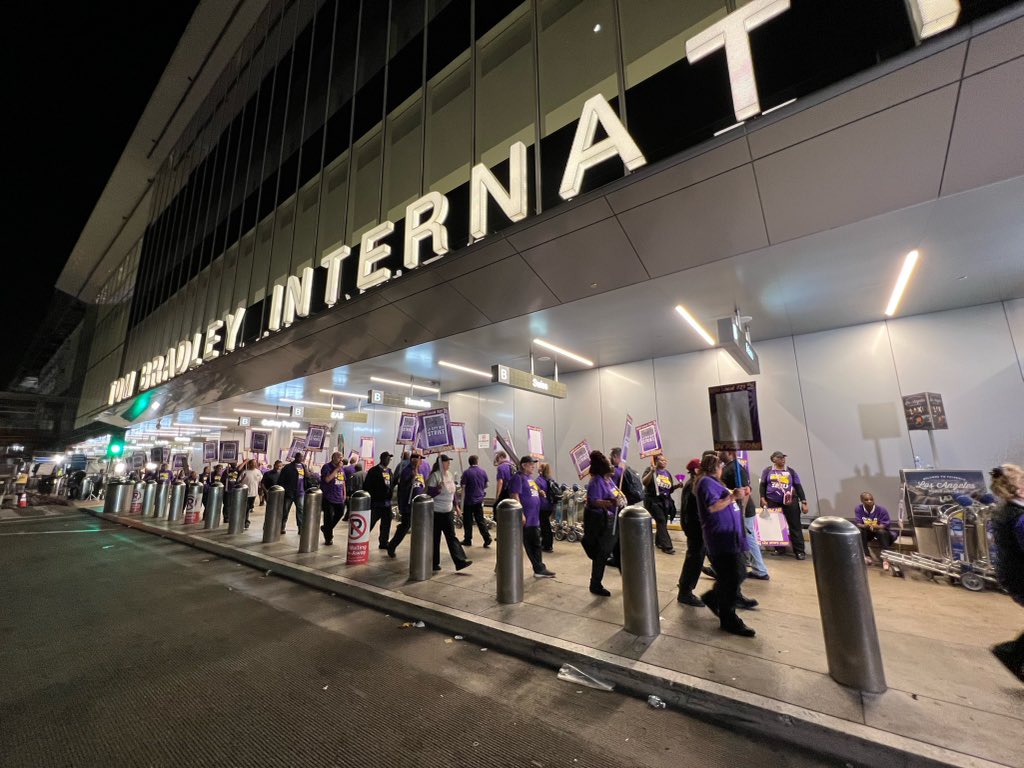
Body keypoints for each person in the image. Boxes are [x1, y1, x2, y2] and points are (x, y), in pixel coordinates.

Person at [695, 453, 756, 637]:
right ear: (716, 467)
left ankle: (714, 598)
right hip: (721, 538)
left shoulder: (717, 484)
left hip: (732, 537)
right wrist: (731, 497)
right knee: (732, 577)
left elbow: (734, 503)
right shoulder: (705, 482)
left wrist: (742, 495)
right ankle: (729, 618)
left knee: (737, 574)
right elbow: (712, 507)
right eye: (721, 467)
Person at [989, 464, 1024, 683]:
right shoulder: (1017, 516)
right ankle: (1011, 653)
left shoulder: (1006, 509)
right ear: (1018, 487)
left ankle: (1012, 653)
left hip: (1012, 574)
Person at [721, 449, 769, 580]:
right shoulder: (728, 468)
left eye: (721, 451)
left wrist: (741, 514)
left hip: (744, 511)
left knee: (749, 538)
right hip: (736, 510)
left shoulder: (736, 469)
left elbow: (746, 492)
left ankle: (760, 570)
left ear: (730, 453)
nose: (719, 453)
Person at [582, 451, 624, 597]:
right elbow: (593, 501)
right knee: (602, 554)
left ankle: (628, 579)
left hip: (614, 520)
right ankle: (595, 584)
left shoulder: (609, 480)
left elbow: (616, 492)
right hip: (602, 522)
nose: (612, 466)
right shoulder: (596, 481)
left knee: (619, 551)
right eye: (609, 464)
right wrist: (610, 502)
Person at [510, 456, 556, 578]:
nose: (533, 466)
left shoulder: (529, 478)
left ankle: (539, 568)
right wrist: (521, 514)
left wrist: (539, 492)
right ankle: (539, 568)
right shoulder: (518, 478)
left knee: (536, 543)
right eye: (531, 464)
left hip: (535, 517)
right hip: (527, 518)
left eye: (533, 464)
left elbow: (532, 490)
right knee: (531, 543)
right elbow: (515, 495)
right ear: (524, 465)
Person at [759, 451, 809, 560]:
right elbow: (762, 485)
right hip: (773, 501)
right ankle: (779, 549)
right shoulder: (768, 471)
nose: (783, 459)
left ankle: (799, 551)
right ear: (773, 459)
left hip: (790, 501)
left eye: (783, 457)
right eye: (780, 457)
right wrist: (762, 498)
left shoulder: (790, 471)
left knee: (795, 525)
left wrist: (804, 502)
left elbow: (798, 486)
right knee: (776, 525)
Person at [426, 455, 472, 572]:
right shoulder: (435, 476)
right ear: (441, 463)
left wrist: (456, 506)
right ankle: (434, 563)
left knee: (451, 536)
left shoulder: (449, 475)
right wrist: (438, 490)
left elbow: (453, 492)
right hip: (436, 512)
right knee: (435, 538)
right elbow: (429, 493)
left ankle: (460, 561)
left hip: (448, 511)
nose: (449, 464)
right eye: (447, 462)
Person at [676, 458, 707, 606]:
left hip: (697, 528)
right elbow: (690, 511)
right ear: (696, 470)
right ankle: (685, 591)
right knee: (694, 559)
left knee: (697, 558)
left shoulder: (697, 483)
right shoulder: (692, 485)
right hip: (695, 529)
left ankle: (685, 585)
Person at [388, 451, 429, 557]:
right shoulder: (406, 471)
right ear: (413, 460)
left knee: (420, 527)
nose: (421, 461)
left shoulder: (422, 469)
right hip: (408, 504)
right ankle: (392, 545)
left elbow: (424, 484)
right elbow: (402, 488)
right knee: (405, 526)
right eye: (419, 459)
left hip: (420, 504)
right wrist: (411, 478)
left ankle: (420, 550)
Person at [642, 453, 682, 554]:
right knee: (661, 520)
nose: (664, 462)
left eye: (665, 460)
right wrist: (651, 472)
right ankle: (667, 546)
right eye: (661, 460)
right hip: (653, 500)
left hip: (664, 501)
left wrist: (677, 486)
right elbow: (644, 482)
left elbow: (669, 489)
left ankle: (659, 542)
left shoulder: (667, 473)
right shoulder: (650, 470)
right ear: (656, 461)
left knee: (662, 521)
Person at [460, 455, 492, 547]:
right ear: (477, 461)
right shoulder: (483, 471)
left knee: (468, 521)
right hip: (479, 500)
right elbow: (486, 485)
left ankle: (468, 539)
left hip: (469, 500)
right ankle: (487, 538)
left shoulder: (466, 473)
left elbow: (463, 486)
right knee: (480, 520)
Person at [364, 452, 394, 550]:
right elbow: (367, 486)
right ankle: (362, 538)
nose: (389, 460)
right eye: (387, 458)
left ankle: (384, 542)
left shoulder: (389, 471)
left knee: (386, 524)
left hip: (387, 503)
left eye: (390, 459)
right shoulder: (374, 471)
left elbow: (392, 484)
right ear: (382, 459)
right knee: (370, 522)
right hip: (376, 503)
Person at [854, 492, 893, 564]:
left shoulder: (881, 510)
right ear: (862, 501)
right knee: (861, 531)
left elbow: (885, 525)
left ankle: (886, 558)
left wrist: (875, 526)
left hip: (879, 532)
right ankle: (867, 555)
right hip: (868, 532)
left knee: (881, 532)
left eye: (871, 499)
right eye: (866, 500)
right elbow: (858, 523)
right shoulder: (858, 509)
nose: (869, 501)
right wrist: (865, 526)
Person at [318, 452, 346, 545]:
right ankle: (328, 538)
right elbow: (327, 479)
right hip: (328, 496)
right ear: (333, 457)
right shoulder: (327, 467)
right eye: (339, 457)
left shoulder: (342, 468)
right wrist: (337, 469)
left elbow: (343, 482)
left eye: (341, 458)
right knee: (328, 517)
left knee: (340, 513)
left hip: (339, 496)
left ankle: (326, 528)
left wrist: (344, 494)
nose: (340, 460)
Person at [278, 452, 306, 534]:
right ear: (296, 457)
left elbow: (306, 477)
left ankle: (300, 527)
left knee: (300, 510)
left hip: (300, 492)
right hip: (289, 492)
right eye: (300, 457)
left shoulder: (304, 466)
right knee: (285, 510)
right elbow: (281, 479)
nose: (301, 459)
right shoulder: (288, 467)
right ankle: (282, 526)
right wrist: (285, 490)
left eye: (302, 457)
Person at [537, 463, 557, 552]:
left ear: (541, 470)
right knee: (546, 524)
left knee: (544, 525)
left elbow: (535, 491)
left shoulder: (538, 481)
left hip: (542, 505)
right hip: (550, 505)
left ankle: (546, 544)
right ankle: (548, 543)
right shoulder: (551, 479)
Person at [239, 459, 262, 529]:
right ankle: (245, 521)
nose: (254, 464)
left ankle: (245, 520)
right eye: (252, 463)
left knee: (249, 507)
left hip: (254, 493)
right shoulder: (245, 472)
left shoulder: (258, 472)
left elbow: (260, 480)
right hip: (246, 493)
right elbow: (239, 481)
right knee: (246, 507)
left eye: (255, 463)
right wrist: (242, 479)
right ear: (249, 464)